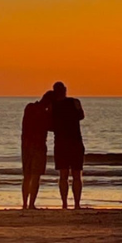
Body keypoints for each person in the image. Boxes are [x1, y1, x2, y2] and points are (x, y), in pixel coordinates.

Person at [50, 81, 85, 209]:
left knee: (63, 175)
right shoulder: (74, 102)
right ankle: (76, 204)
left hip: (61, 143)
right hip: (74, 141)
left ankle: (65, 203)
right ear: (65, 90)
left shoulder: (52, 106)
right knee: (76, 174)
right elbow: (81, 116)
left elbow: (50, 124)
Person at [20, 91, 54, 210]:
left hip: (26, 146)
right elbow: (51, 127)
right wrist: (50, 112)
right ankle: (31, 204)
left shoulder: (29, 107)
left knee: (27, 176)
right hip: (38, 146)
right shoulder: (44, 114)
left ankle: (25, 203)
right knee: (35, 176)